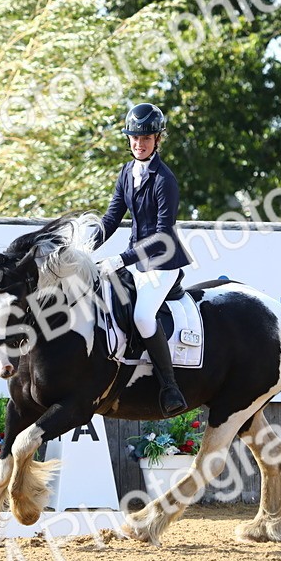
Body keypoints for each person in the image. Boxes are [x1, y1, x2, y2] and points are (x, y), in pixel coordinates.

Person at [96, 102, 194, 416]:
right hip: (136, 261)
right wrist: (84, 246)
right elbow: (111, 218)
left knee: (142, 317)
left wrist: (121, 259)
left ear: (157, 140)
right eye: (135, 138)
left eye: (147, 138)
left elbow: (162, 236)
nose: (140, 144)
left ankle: (170, 388)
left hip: (163, 263)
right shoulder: (127, 172)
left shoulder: (165, 179)